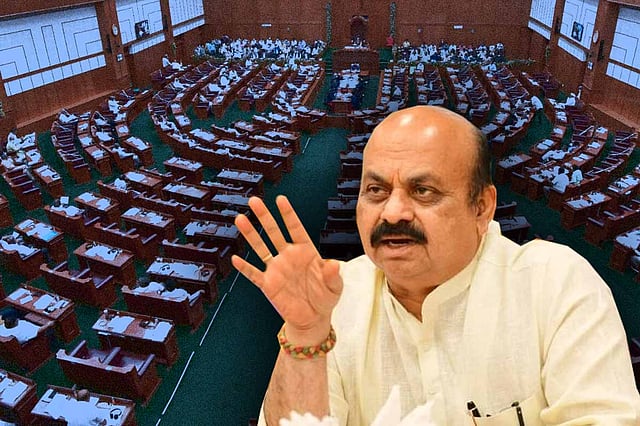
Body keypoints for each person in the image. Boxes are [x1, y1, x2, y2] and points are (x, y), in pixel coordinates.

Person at [232, 105, 640, 425]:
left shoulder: (556, 284)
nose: (392, 212)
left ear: (482, 208)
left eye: (422, 190)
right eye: (375, 190)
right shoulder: (334, 301)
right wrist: (306, 337)